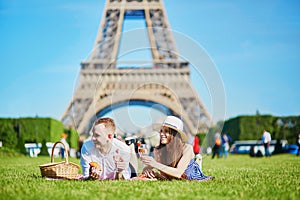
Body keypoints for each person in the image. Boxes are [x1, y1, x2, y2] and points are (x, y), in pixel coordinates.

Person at [138, 116, 213, 181]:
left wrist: (155, 164)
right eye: (161, 131)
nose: (161, 134)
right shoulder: (160, 151)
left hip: (189, 176)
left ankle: (197, 162)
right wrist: (151, 171)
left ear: (175, 134)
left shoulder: (187, 148)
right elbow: (169, 179)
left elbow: (178, 173)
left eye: (166, 131)